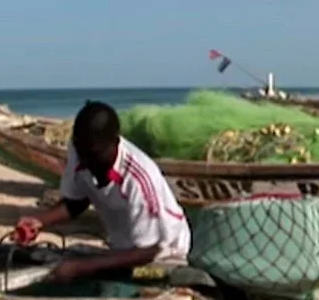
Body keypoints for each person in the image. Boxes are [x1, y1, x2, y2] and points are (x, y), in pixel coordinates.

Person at [12, 101, 191, 281]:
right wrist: (39, 221)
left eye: (93, 154)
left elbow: (149, 250)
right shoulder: (81, 150)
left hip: (164, 254)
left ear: (115, 142)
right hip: (122, 248)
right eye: (82, 153)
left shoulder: (140, 180)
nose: (87, 162)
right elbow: (77, 201)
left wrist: (84, 267)